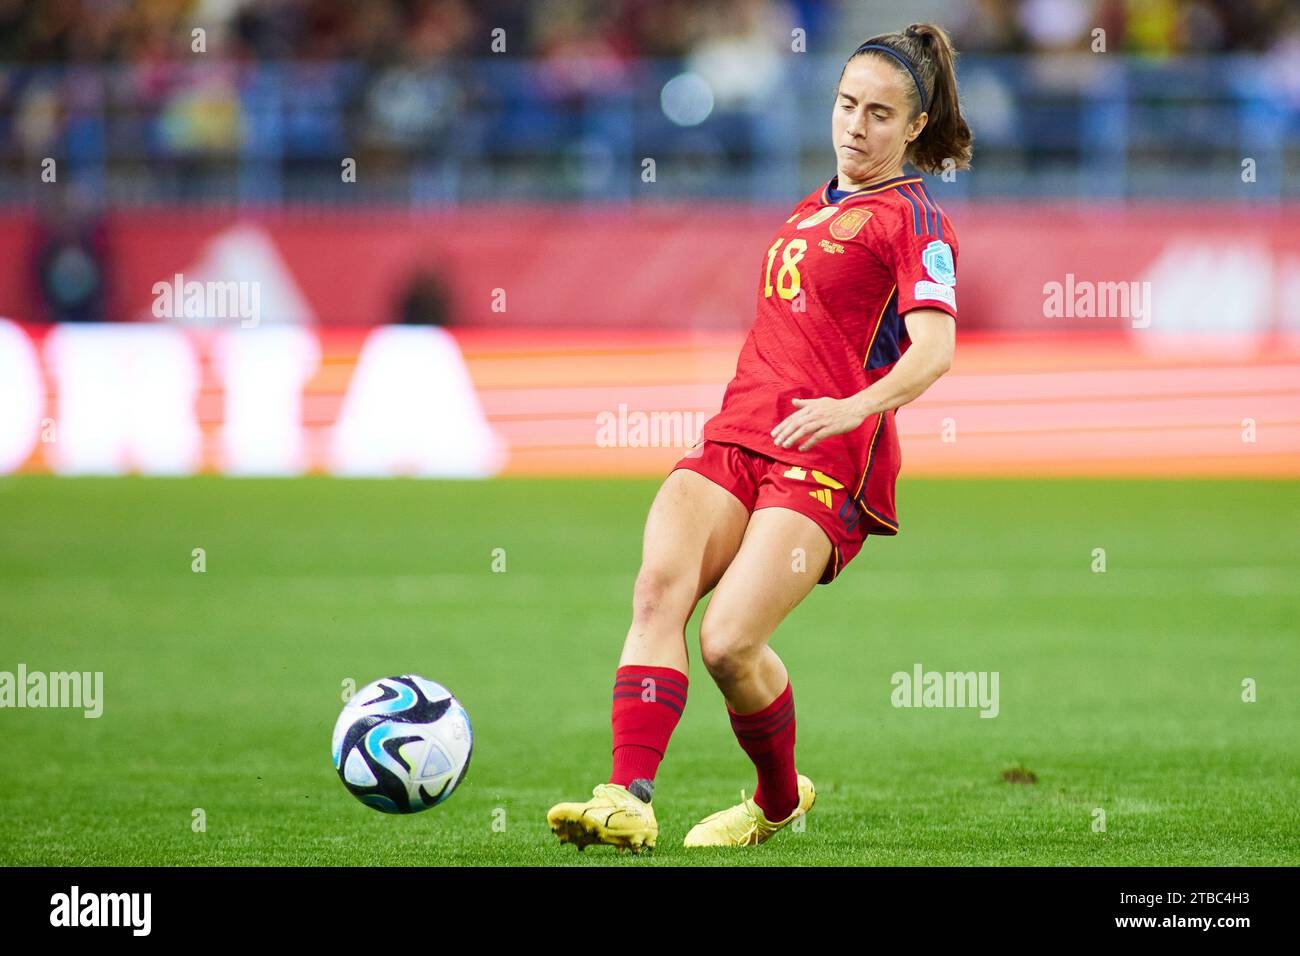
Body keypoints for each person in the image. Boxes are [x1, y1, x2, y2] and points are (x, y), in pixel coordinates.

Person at [548, 22, 973, 852]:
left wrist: (855, 408)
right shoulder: (808, 210)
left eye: (881, 114)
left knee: (730, 643)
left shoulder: (916, 221)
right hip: (737, 435)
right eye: (848, 105)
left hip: (825, 456)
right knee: (655, 592)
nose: (857, 126)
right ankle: (627, 795)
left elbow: (937, 351)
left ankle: (777, 802)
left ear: (915, 127)